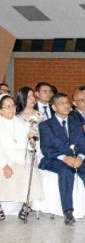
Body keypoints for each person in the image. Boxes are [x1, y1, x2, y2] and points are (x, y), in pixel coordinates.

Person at [39, 93, 85, 224]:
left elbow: (84, 144)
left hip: (76, 158)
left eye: (67, 103)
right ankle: (68, 212)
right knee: (66, 172)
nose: (67, 105)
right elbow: (46, 149)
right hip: (56, 160)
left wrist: (80, 157)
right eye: (63, 103)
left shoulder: (76, 123)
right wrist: (64, 158)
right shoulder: (46, 125)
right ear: (54, 107)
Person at [0, 94, 43, 222]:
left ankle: (26, 207)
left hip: (20, 159)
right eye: (7, 107)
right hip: (2, 160)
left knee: (32, 174)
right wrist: (4, 165)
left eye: (12, 106)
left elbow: (29, 148)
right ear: (0, 109)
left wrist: (31, 141)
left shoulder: (22, 123)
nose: (11, 109)